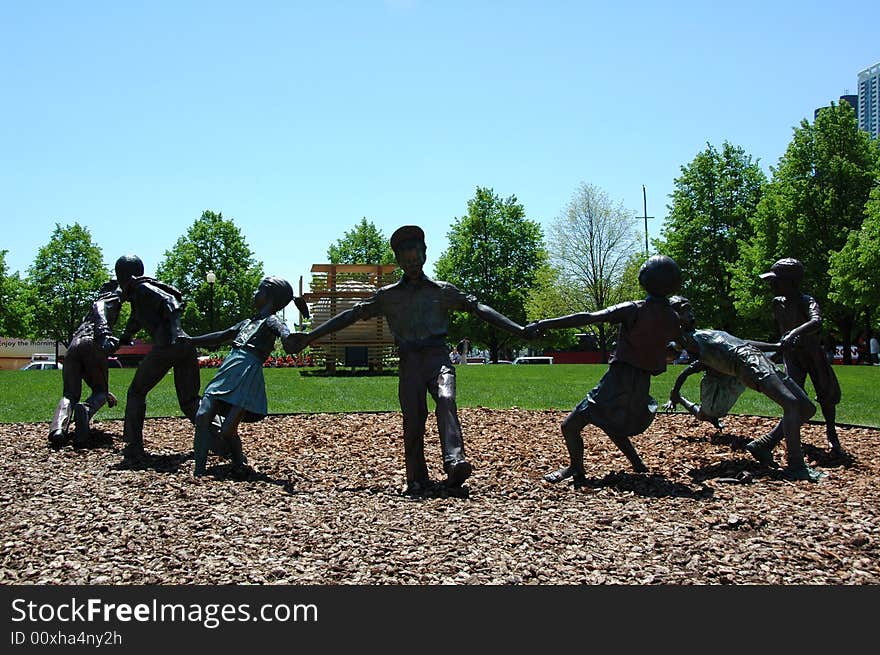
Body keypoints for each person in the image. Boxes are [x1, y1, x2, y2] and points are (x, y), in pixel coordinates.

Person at [284, 225, 528, 495]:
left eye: (417, 258)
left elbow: (479, 308)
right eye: (407, 260)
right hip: (410, 360)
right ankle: (416, 476)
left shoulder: (442, 291)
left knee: (446, 399)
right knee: (413, 417)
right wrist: (310, 336)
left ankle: (455, 461)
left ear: (425, 255)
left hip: (438, 357)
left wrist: (518, 329)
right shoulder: (388, 296)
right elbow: (351, 315)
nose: (413, 265)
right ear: (399, 262)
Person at [526, 255, 682, 487]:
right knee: (611, 419)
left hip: (616, 382)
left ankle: (576, 468)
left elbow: (588, 318)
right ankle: (638, 465)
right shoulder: (672, 318)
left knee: (570, 426)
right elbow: (673, 351)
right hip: (640, 386)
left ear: (645, 278)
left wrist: (544, 324)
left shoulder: (633, 310)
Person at [665, 296, 824, 482]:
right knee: (792, 405)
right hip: (748, 365)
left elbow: (744, 342)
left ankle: (764, 445)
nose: (690, 314)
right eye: (683, 310)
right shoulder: (684, 340)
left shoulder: (702, 332)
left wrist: (777, 346)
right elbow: (669, 349)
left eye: (690, 309)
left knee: (806, 408)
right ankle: (796, 466)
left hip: (758, 359)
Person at [182, 276, 305, 477]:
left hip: (247, 374)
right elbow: (221, 335)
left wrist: (289, 337)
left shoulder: (271, 321)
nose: (255, 294)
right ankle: (199, 471)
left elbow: (283, 331)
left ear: (270, 297)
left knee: (227, 430)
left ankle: (239, 460)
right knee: (203, 415)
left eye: (260, 291)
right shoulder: (246, 323)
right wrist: (191, 341)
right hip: (228, 369)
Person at [115, 254, 202, 464]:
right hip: (184, 347)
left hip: (167, 346)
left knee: (136, 392)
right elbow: (133, 324)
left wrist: (176, 331)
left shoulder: (143, 289)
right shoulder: (138, 296)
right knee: (189, 401)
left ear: (122, 275)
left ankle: (133, 445)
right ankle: (221, 438)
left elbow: (171, 301)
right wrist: (118, 341)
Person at [759, 258, 843, 454]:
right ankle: (789, 432)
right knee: (792, 394)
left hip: (813, 354)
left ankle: (831, 431)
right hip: (792, 356)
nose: (772, 284)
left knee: (825, 393)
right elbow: (781, 332)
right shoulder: (777, 303)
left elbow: (816, 321)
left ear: (792, 282)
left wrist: (794, 333)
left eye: (776, 280)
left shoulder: (807, 301)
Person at [47, 281, 123, 449]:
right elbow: (100, 306)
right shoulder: (111, 299)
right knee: (100, 392)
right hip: (93, 342)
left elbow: (87, 370)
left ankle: (58, 430)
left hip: (74, 345)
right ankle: (86, 410)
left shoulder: (87, 313)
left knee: (70, 393)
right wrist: (105, 332)